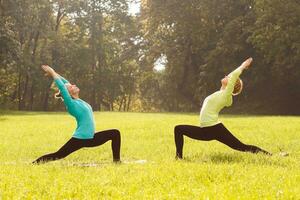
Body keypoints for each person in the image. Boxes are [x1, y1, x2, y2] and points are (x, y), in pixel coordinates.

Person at [174, 58, 272, 159]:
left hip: (214, 128)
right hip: (205, 130)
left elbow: (233, 76)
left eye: (228, 78)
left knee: (241, 147)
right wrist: (230, 78)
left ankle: (270, 155)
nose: (226, 76)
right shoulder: (221, 93)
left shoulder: (226, 95)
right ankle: (179, 157)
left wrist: (243, 65)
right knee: (178, 129)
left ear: (232, 84)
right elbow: (231, 77)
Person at [33, 65, 121, 164]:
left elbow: (64, 82)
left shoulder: (78, 100)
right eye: (70, 87)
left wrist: (54, 73)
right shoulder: (71, 104)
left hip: (91, 137)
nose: (73, 85)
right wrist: (52, 73)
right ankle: (34, 164)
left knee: (115, 133)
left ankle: (117, 161)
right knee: (58, 155)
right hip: (82, 138)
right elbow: (62, 86)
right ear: (68, 93)